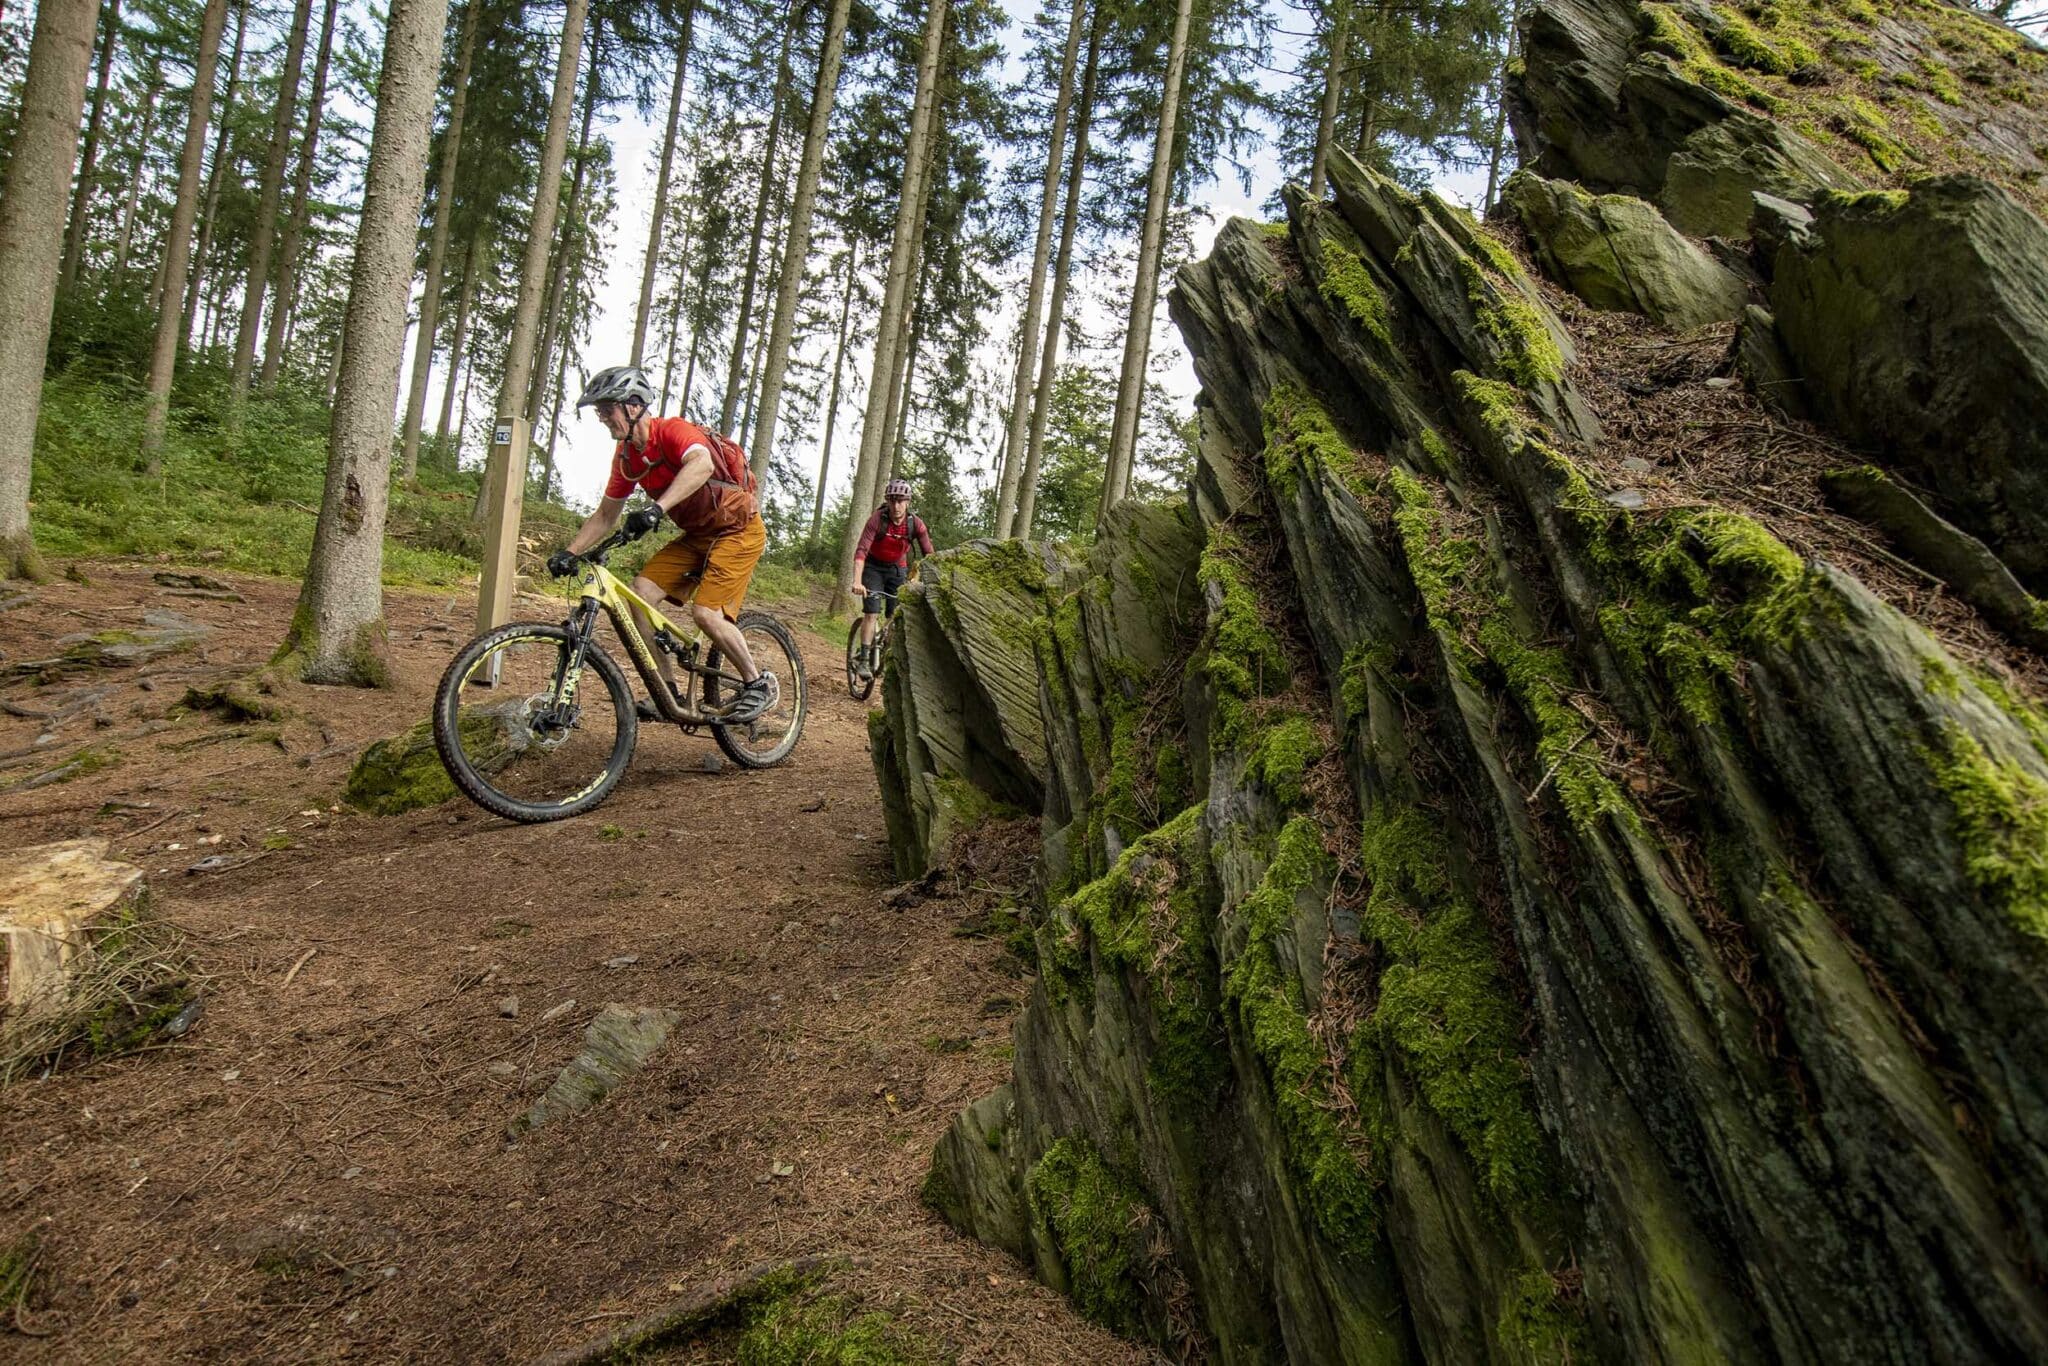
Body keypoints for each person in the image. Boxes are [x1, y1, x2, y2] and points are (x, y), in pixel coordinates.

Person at [546, 365, 778, 723]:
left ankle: (757, 683)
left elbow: (700, 464)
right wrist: (570, 552)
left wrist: (656, 509)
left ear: (634, 405)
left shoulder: (672, 431)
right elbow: (606, 515)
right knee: (639, 594)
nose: (603, 418)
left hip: (739, 530)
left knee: (705, 614)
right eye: (600, 412)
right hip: (699, 536)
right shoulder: (626, 459)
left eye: (608, 409)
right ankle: (667, 693)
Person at [847, 478, 933, 680]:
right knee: (872, 613)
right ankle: (864, 659)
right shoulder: (877, 520)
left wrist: (930, 582)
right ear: (887, 501)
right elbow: (861, 552)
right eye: (892, 501)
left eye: (901, 501)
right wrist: (857, 581)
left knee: (895, 616)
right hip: (873, 567)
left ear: (908, 502)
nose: (896, 506)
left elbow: (929, 555)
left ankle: (886, 653)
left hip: (897, 569)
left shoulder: (916, 525)